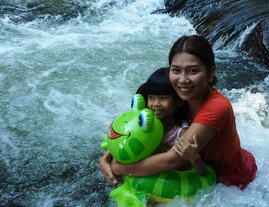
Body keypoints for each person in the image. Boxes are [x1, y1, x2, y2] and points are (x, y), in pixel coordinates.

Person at [101, 35, 257, 190]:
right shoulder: (175, 95)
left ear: (210, 73)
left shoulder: (217, 107)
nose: (183, 80)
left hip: (230, 180)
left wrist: (118, 167)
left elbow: (173, 160)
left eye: (193, 71)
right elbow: (140, 125)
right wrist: (108, 156)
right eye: (176, 70)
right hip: (195, 167)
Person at [100, 67, 206, 184]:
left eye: (163, 98)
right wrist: (105, 158)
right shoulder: (146, 119)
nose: (156, 104)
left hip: (168, 180)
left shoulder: (181, 132)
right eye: (151, 97)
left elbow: (200, 172)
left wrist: (195, 158)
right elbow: (123, 138)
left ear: (179, 101)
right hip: (141, 173)